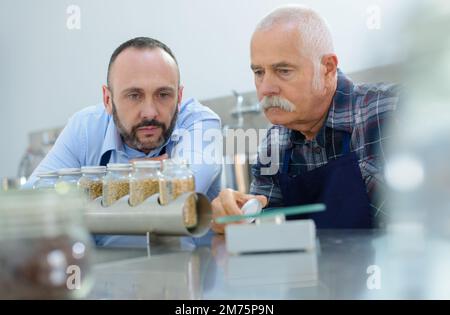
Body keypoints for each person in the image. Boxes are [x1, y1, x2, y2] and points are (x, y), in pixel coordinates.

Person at [211, 5, 400, 233]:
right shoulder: (275, 143)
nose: (266, 88)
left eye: (283, 71)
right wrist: (234, 217)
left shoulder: (389, 111)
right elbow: (265, 233)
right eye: (259, 72)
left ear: (327, 68)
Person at [25, 37, 222, 202]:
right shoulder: (84, 128)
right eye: (134, 95)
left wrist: (98, 184)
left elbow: (185, 189)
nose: (149, 113)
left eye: (163, 94)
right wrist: (141, 176)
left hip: (186, 251)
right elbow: (33, 202)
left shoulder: (200, 122)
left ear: (179, 98)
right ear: (108, 99)